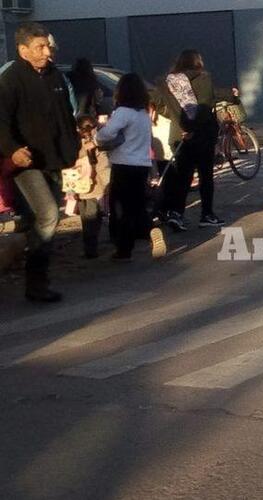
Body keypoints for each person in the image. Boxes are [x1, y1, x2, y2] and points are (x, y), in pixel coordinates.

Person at [0, 22, 80, 302]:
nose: (48, 52)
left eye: (49, 46)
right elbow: (1, 120)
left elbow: (65, 117)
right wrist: (12, 150)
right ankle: (35, 280)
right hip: (26, 162)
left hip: (54, 160)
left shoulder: (55, 76)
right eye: (40, 47)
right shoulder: (10, 80)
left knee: (41, 218)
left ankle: (34, 276)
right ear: (23, 51)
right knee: (49, 215)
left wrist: (74, 149)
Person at [153, 49, 239, 231]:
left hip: (179, 135)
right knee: (205, 175)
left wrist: (178, 119)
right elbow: (206, 103)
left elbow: (159, 104)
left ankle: (177, 213)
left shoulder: (167, 81)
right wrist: (193, 127)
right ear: (197, 62)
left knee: (183, 176)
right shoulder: (203, 78)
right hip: (201, 134)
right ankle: (206, 214)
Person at [96, 73, 166, 261]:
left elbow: (105, 135)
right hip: (141, 164)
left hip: (123, 164)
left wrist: (98, 134)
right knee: (136, 205)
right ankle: (150, 230)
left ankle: (124, 249)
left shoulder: (123, 112)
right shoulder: (143, 114)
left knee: (121, 209)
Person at [74, 115, 110, 258]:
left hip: (79, 187)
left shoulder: (74, 146)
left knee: (86, 219)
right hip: (96, 188)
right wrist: (108, 185)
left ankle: (89, 248)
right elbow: (104, 166)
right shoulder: (97, 146)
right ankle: (92, 248)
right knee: (94, 219)